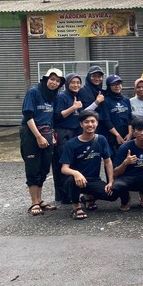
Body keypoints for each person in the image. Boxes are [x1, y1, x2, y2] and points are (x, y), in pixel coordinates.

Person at [60, 110, 130, 220]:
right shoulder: (71, 144)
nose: (90, 124)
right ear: (81, 124)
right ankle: (76, 206)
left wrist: (111, 181)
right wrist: (76, 173)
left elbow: (108, 161)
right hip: (74, 180)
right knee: (74, 180)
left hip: (93, 180)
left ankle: (87, 198)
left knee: (112, 195)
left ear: (97, 123)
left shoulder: (101, 139)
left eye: (93, 121)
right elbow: (64, 168)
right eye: (86, 122)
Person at [21, 68, 65, 216]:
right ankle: (34, 202)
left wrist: (51, 134)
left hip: (47, 132)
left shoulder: (53, 96)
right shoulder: (34, 92)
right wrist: (38, 136)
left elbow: (50, 118)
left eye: (58, 81)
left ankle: (39, 200)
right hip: (31, 133)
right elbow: (28, 115)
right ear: (45, 79)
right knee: (33, 167)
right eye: (52, 79)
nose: (54, 83)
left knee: (43, 168)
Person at [52, 72, 83, 204]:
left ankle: (72, 193)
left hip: (74, 132)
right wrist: (74, 107)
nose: (76, 85)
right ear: (67, 84)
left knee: (74, 162)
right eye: (73, 82)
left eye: (78, 82)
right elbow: (58, 116)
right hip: (63, 133)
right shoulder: (62, 96)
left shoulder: (75, 96)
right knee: (63, 163)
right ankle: (64, 196)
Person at [99, 75, 132, 154]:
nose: (117, 86)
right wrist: (117, 135)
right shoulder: (106, 101)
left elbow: (130, 118)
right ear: (109, 86)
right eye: (114, 85)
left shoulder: (126, 100)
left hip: (126, 136)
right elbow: (106, 120)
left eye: (119, 84)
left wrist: (130, 133)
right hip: (112, 137)